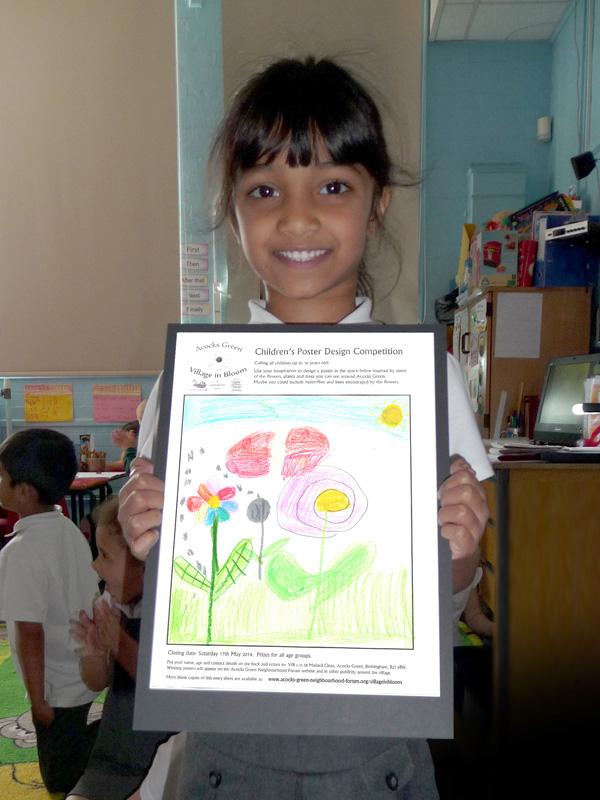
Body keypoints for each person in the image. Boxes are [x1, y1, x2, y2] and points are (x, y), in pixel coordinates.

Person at [119, 55, 492, 800]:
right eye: (264, 190)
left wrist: (459, 550)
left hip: (377, 760)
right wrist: (147, 534)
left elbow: (453, 596)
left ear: (377, 203)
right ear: (232, 209)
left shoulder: (430, 381)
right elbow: (164, 594)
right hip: (224, 761)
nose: (296, 218)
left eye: (333, 186)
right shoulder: (189, 386)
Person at [0, 428, 101, 794]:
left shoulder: (19, 552)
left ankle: (110, 740)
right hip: (83, 669)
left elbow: (29, 632)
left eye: (1, 476)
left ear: (24, 491)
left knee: (58, 779)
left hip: (55, 687)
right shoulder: (68, 528)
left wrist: (38, 698)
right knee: (68, 750)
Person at [68, 497, 172, 800]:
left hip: (160, 764)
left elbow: (161, 687)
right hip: (111, 759)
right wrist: (94, 653)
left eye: (105, 556)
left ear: (145, 567)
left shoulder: (171, 614)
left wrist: (119, 642)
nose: (95, 565)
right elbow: (96, 682)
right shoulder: (111, 603)